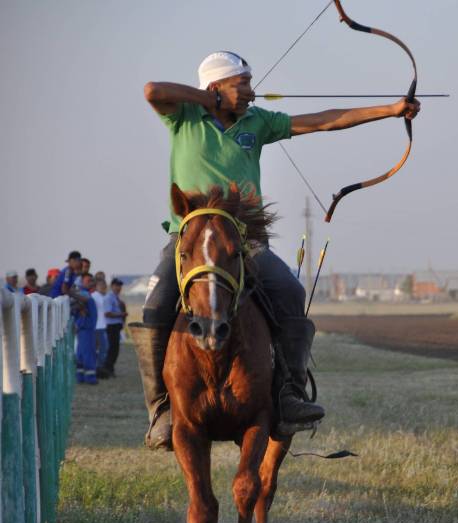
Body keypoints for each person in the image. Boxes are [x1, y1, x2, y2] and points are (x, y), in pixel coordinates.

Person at [134, 50, 420, 450]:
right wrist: (210, 102)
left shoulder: (258, 121)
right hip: (191, 239)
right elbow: (152, 90)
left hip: (243, 239)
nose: (252, 92)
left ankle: (288, 395)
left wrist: (390, 110)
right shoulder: (184, 115)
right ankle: (162, 409)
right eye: (243, 83)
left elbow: (324, 121)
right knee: (157, 303)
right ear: (217, 87)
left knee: (289, 291)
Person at [70, 273, 98, 384]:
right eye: (88, 280)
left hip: (85, 328)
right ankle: (89, 378)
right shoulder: (82, 294)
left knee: (82, 353)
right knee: (86, 353)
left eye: (92, 280)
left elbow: (82, 302)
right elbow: (80, 303)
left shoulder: (84, 294)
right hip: (85, 328)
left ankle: (81, 376)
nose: (91, 283)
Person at [103, 278, 127, 377]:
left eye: (120, 286)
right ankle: (107, 369)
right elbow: (107, 313)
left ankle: (110, 368)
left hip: (116, 326)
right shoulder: (109, 297)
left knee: (115, 349)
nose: (118, 288)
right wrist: (121, 314)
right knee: (112, 349)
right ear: (112, 286)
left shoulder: (116, 298)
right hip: (112, 325)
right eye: (116, 285)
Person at [92, 278, 110, 378]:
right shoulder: (94, 296)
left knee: (102, 348)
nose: (103, 287)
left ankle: (98, 368)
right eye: (101, 285)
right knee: (102, 348)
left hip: (101, 326)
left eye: (104, 285)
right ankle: (98, 368)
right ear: (96, 286)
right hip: (97, 326)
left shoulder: (102, 297)